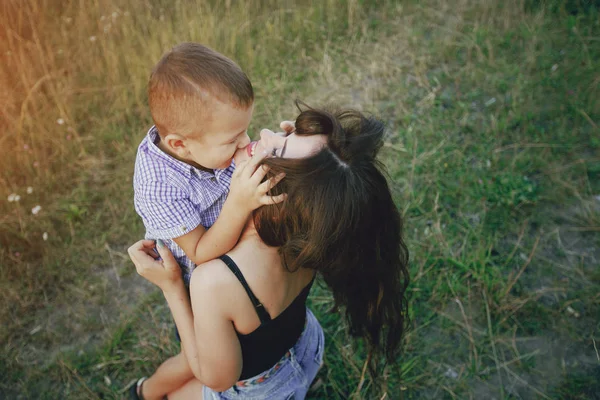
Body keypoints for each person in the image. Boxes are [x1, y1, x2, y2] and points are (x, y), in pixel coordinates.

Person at [128, 104, 410, 399]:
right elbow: (320, 182)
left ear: (278, 200)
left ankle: (142, 394)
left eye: (276, 149)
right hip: (305, 349)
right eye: (288, 132)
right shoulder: (311, 234)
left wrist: (171, 286)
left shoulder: (215, 281)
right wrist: (299, 148)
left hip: (262, 390)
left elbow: (216, 378)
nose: (264, 133)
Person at [132, 42, 291, 399]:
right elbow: (202, 252)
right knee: (196, 360)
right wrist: (239, 202)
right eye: (233, 140)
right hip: (196, 288)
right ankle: (146, 392)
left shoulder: (205, 142)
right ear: (180, 144)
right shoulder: (158, 186)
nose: (244, 143)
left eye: (245, 131)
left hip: (230, 268)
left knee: (224, 357)